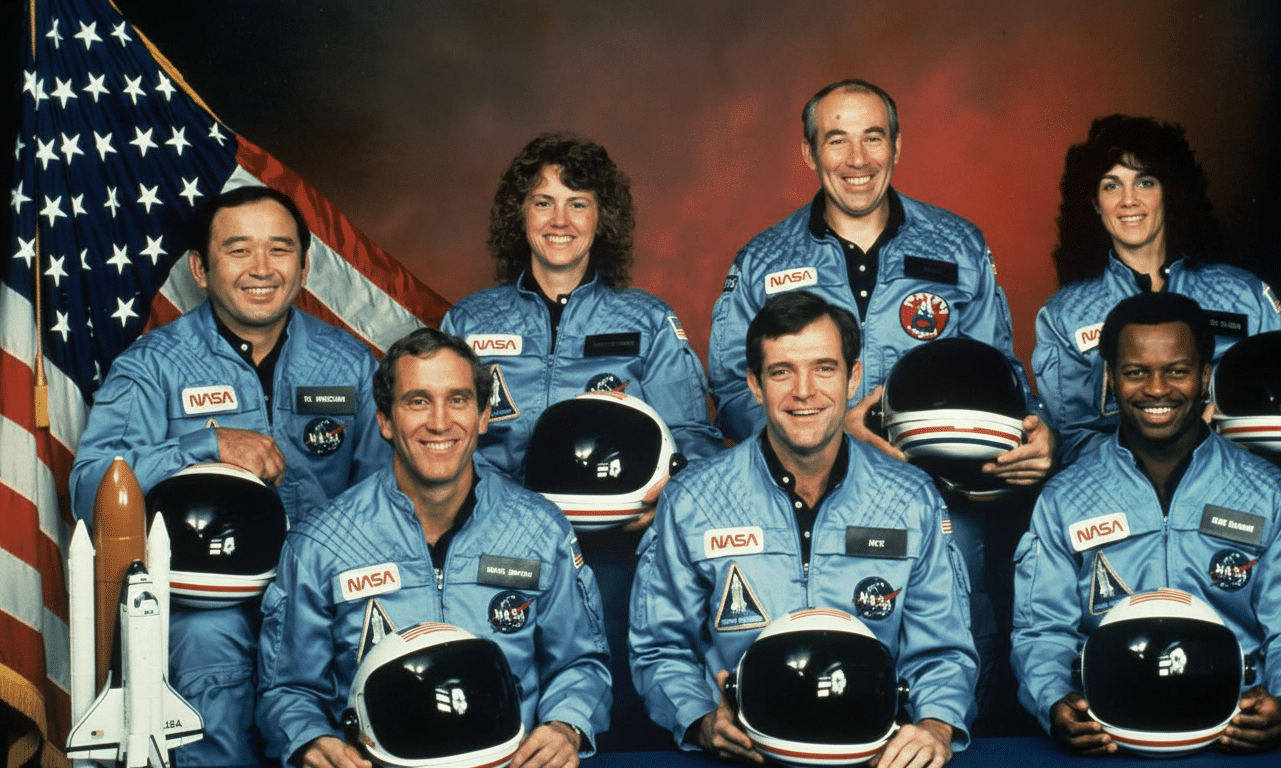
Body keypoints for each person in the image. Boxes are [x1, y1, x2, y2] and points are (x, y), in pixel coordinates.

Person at [708, 78, 1052, 723]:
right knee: (816, 679)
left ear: (898, 145)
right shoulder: (763, 259)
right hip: (803, 503)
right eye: (837, 139)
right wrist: (827, 433)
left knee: (949, 672)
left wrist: (1033, 435)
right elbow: (731, 386)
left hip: (945, 505)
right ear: (809, 154)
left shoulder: (959, 247)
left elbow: (1002, 375)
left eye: (874, 137)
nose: (858, 159)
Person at [68, 185, 390, 766]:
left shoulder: (348, 363)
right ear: (200, 268)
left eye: (280, 249)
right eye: (239, 250)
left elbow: (387, 493)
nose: (262, 269)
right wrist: (205, 444)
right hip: (206, 604)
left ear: (305, 264)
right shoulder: (152, 368)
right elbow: (91, 484)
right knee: (207, 648)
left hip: (323, 596)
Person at [442, 132, 722, 748]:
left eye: (578, 202)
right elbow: (438, 438)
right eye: (543, 202)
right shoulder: (468, 322)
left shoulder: (646, 320)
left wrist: (660, 503)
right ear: (520, 216)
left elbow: (696, 441)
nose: (560, 220)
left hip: (617, 553)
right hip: (498, 547)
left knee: (621, 715)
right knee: (502, 717)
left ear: (603, 218)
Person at [631, 291, 978, 767]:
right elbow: (659, 647)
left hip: (873, 755)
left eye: (824, 368)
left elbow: (944, 650)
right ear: (755, 385)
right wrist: (700, 718)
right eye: (781, 371)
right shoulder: (693, 500)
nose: (804, 391)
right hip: (745, 755)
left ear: (853, 377)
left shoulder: (910, 499)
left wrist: (936, 725)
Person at [256, 327, 611, 768]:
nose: (440, 422)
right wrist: (309, 739)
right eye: (417, 401)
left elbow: (581, 661)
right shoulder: (322, 543)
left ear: (484, 416)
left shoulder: (539, 530)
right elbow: (287, 688)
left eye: (458, 400)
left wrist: (566, 725)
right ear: (385, 420)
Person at [1010, 292, 1281, 755]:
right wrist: (1053, 701)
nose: (1156, 389)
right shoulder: (1066, 496)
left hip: (1232, 731)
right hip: (1110, 732)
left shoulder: (1266, 490)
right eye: (1136, 372)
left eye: (1176, 371)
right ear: (1111, 379)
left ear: (1204, 377)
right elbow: (1041, 629)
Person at [1033, 115, 1281, 469]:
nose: (1128, 200)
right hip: (1125, 500)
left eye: (1145, 182)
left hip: (1237, 483)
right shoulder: (1066, 315)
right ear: (1093, 202)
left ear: (1170, 190)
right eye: (1111, 186)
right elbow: (1072, 440)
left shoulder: (1243, 295)